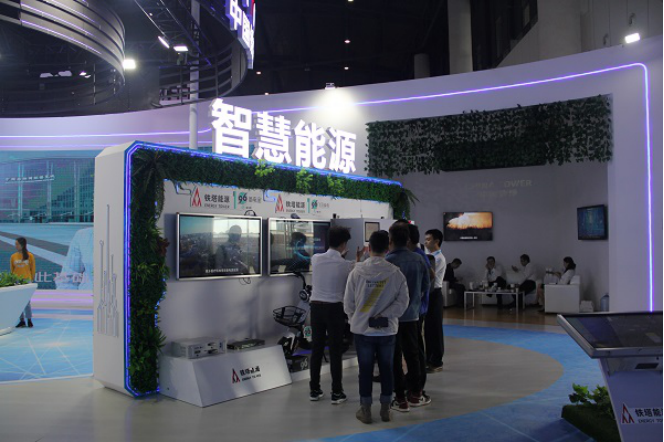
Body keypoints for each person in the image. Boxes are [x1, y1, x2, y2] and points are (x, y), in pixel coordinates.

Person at [345, 230, 409, 424]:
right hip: (387, 331)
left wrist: (357, 320)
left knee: (365, 370)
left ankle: (365, 410)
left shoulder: (356, 272)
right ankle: (385, 409)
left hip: (362, 331)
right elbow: (403, 303)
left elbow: (348, 303)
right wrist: (384, 315)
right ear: (388, 247)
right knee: (387, 369)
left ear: (369, 248)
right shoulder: (396, 273)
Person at [309, 226, 359, 404]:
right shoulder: (347, 265)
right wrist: (356, 259)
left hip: (315, 308)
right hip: (335, 309)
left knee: (316, 349)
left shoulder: (316, 258)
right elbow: (352, 272)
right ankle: (336, 392)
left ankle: (314, 390)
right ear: (344, 244)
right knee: (335, 351)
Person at [386, 223, 430, 412]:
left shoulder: (387, 261)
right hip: (412, 316)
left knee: (395, 357)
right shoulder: (418, 260)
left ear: (391, 240)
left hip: (392, 318)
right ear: (408, 240)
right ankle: (416, 393)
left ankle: (400, 398)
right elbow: (426, 286)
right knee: (413, 355)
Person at [424, 228, 446, 373]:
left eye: (428, 239)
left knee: (435, 329)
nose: (426, 242)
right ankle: (429, 359)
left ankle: (437, 361)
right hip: (429, 294)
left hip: (435, 294)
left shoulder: (438, 258)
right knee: (428, 329)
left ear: (436, 241)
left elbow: (430, 277)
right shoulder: (430, 256)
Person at [11, 237, 36, 328]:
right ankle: (21, 320)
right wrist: (13, 280)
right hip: (17, 280)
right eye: (15, 244)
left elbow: (32, 269)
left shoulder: (30, 256)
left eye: (17, 244)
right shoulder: (13, 256)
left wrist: (31, 280)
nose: (16, 246)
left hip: (26, 280)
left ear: (22, 245)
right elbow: (12, 270)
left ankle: (29, 319)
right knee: (18, 301)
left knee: (26, 302)